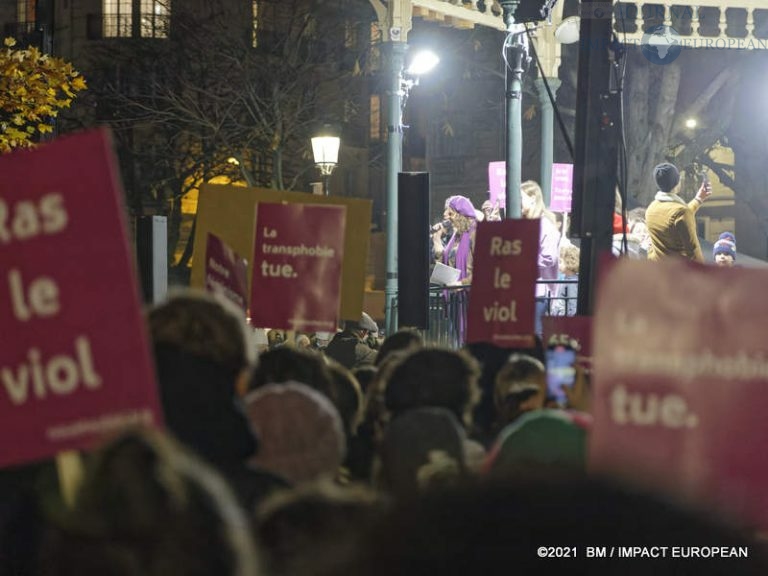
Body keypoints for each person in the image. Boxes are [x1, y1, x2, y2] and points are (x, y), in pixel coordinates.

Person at [645, 162, 711, 262]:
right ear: (677, 181)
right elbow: (693, 251)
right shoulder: (681, 212)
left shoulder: (651, 208)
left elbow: (674, 217)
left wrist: (698, 199)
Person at [521, 181, 559, 334]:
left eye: (520, 198)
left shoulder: (545, 225)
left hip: (539, 293)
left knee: (535, 335)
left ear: (532, 199)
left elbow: (549, 257)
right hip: (525, 290)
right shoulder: (525, 224)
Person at [432, 195, 478, 285]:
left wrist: (462, 283)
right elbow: (445, 265)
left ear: (462, 215)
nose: (447, 216)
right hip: (453, 294)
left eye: (450, 214)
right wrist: (436, 239)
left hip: (469, 295)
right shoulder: (456, 236)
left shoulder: (476, 232)